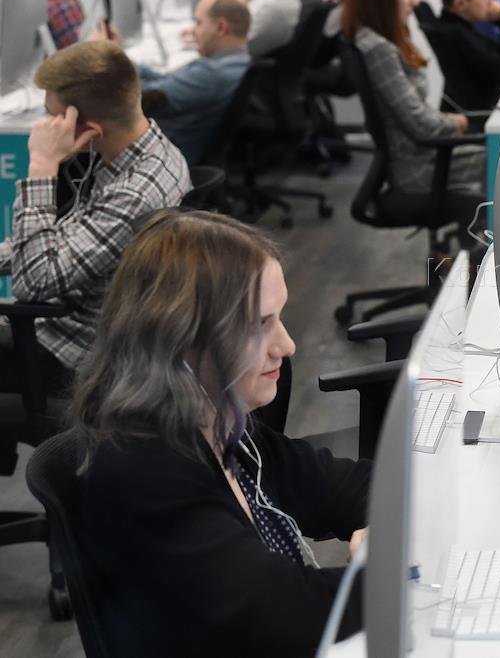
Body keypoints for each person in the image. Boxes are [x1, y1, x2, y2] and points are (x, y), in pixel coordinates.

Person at [72, 209, 370, 656]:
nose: (287, 345)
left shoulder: (215, 418)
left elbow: (339, 485)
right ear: (181, 336)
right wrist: (392, 572)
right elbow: (289, 613)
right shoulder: (146, 470)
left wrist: (395, 520)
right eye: (260, 324)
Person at [0, 42, 190, 389]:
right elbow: (65, 239)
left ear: (90, 128)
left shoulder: (133, 195)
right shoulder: (148, 152)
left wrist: (42, 165)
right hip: (72, 326)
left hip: (66, 351)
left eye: (52, 116)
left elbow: (34, 283)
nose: (44, 126)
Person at [342, 0, 482, 203]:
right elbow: (419, 124)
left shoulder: (374, 40)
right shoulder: (379, 49)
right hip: (419, 168)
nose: (414, 1)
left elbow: (414, 113)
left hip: (426, 155)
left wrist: (450, 120)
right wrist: (459, 123)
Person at [130, 0, 251, 165]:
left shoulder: (210, 75)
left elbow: (146, 96)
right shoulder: (240, 60)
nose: (193, 30)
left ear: (221, 27)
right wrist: (128, 63)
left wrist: (109, 63)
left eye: (198, 23)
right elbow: (167, 80)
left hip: (168, 155)